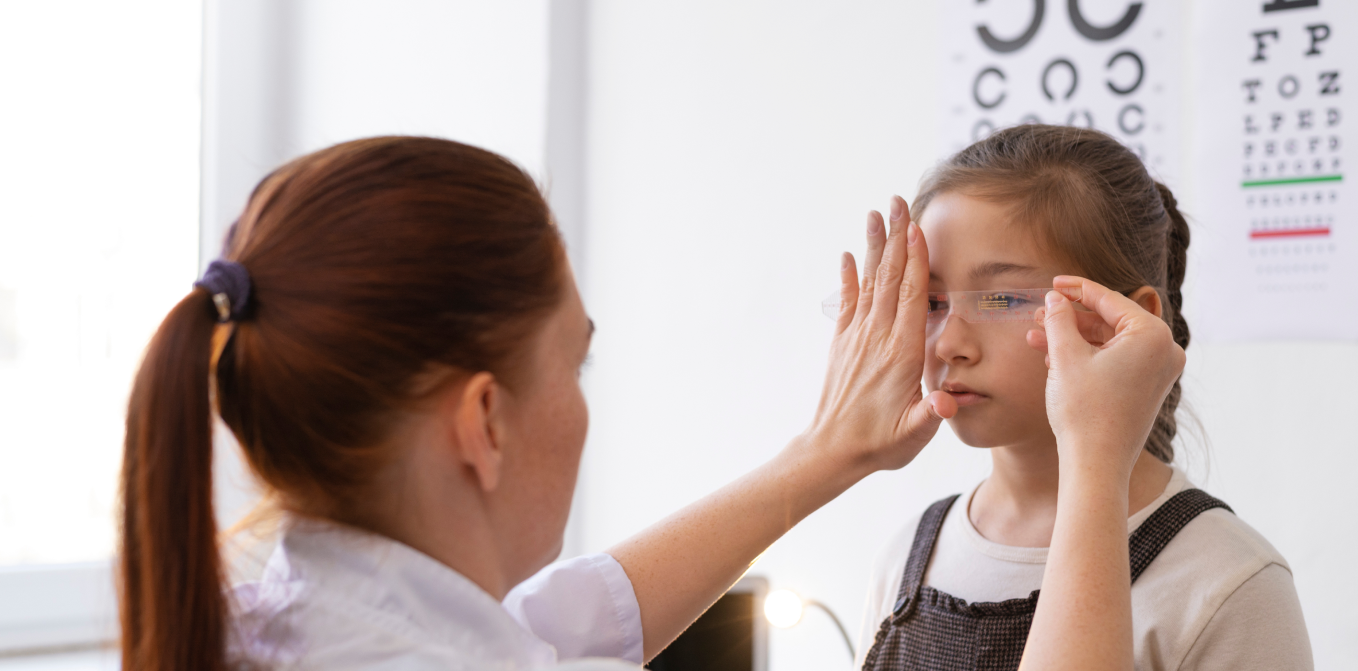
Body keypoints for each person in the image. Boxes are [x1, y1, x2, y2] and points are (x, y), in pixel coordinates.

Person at [118, 135, 1185, 671]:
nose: (947, 333)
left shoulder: (287, 612)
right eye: (575, 367)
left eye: (1002, 296)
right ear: (481, 421)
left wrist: (823, 456)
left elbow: (553, 629)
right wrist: (1096, 461)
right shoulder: (919, 545)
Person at [856, 125, 1313, 671]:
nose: (949, 343)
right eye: (932, 300)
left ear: (1128, 323)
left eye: (999, 298)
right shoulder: (910, 556)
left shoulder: (1225, 583)